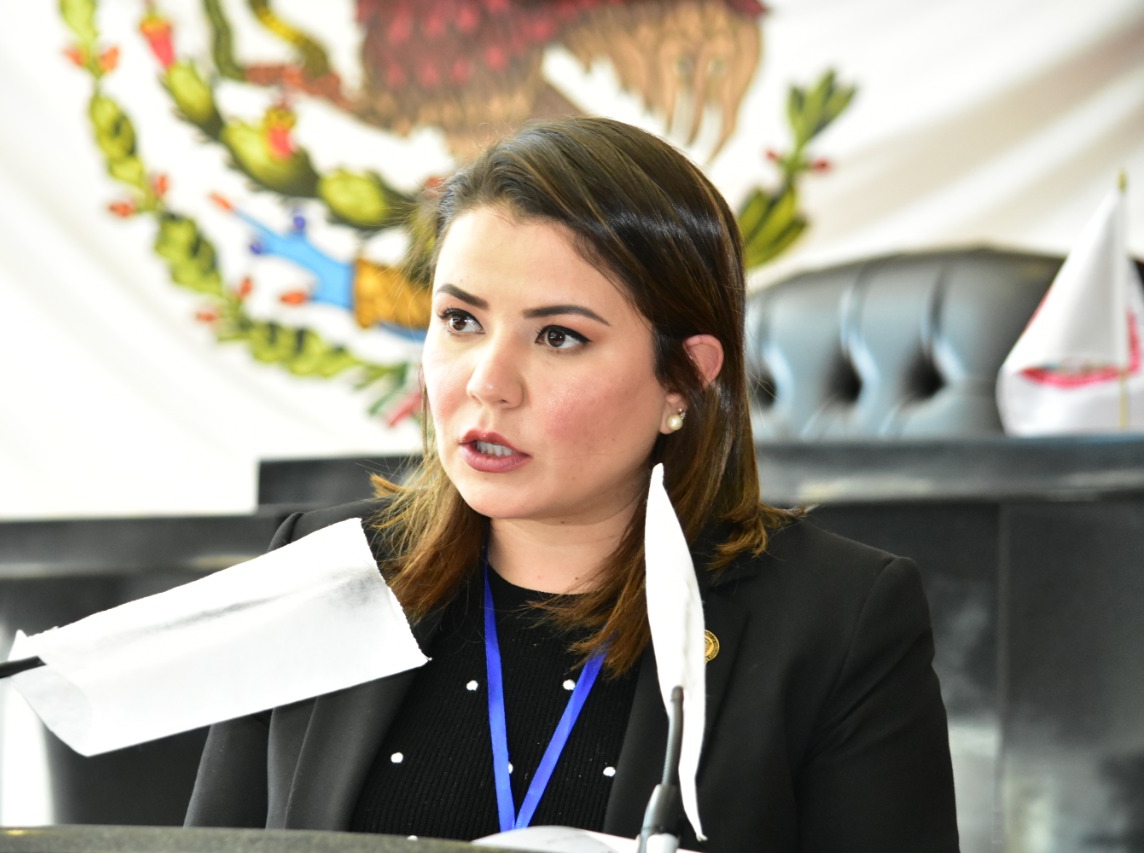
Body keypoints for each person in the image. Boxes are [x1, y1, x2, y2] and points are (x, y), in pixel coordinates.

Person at [185, 116, 960, 852]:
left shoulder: (840, 620)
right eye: (460, 321)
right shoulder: (318, 573)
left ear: (684, 378)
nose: (488, 381)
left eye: (558, 336)